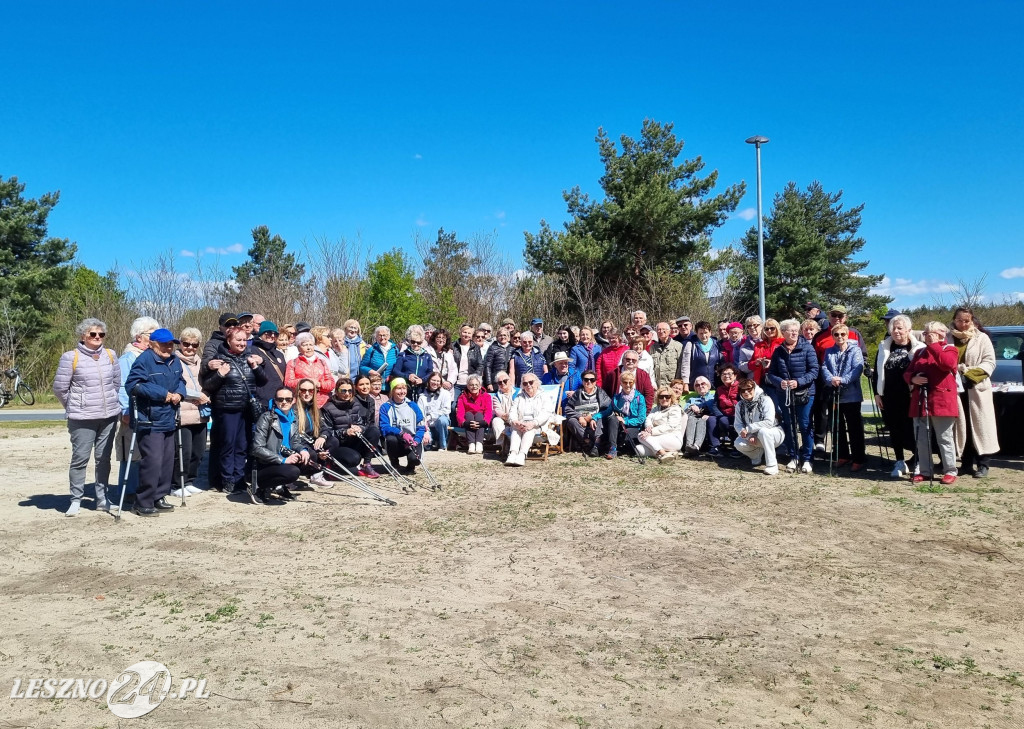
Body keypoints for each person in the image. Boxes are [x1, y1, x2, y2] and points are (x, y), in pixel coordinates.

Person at [53, 318, 122, 516]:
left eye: (101, 334)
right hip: (81, 418)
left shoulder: (111, 355)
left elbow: (116, 383)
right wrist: (75, 405)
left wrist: (110, 401)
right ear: (83, 336)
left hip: (108, 416)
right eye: (93, 334)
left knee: (104, 459)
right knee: (80, 459)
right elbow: (60, 388)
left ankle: (102, 499)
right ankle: (76, 500)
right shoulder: (70, 357)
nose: (97, 337)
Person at [124, 328, 187, 516]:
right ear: (152, 344)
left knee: (167, 462)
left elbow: (181, 380)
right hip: (149, 420)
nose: (168, 347)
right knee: (153, 461)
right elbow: (133, 385)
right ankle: (143, 501)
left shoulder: (175, 360)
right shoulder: (144, 360)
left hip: (169, 417)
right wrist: (163, 394)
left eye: (171, 344)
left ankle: (159, 496)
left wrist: (180, 393)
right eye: (164, 344)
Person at [201, 326, 268, 494]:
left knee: (242, 446)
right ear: (228, 341)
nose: (242, 343)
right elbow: (207, 385)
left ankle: (239, 479)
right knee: (228, 445)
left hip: (246, 410)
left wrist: (256, 366)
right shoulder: (219, 359)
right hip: (227, 410)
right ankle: (227, 480)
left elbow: (263, 381)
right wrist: (220, 374)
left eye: (244, 340)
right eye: (238, 340)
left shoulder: (249, 357)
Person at [906, 321, 960, 484]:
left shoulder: (950, 349)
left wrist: (935, 345)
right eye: (925, 333)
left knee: (944, 438)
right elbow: (908, 372)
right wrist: (913, 378)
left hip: (941, 400)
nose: (927, 336)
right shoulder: (920, 352)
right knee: (921, 438)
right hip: (920, 400)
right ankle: (925, 471)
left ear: (942, 334)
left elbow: (947, 364)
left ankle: (950, 470)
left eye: (931, 333)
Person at [949, 307, 1000, 478]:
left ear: (972, 321)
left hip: (976, 388)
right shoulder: (948, 337)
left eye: (966, 321)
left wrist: (969, 375)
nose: (963, 324)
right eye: (959, 320)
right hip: (956, 390)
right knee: (962, 426)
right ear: (954, 320)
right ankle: (965, 464)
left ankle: (983, 464)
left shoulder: (981, 338)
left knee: (980, 426)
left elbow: (989, 362)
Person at [766, 319, 819, 473]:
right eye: (791, 330)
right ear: (783, 333)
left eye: (796, 330)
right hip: (785, 394)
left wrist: (799, 382)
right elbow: (771, 373)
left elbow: (814, 370)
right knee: (789, 425)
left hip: (805, 393)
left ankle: (807, 459)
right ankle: (793, 456)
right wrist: (779, 382)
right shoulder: (778, 351)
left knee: (805, 424)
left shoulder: (807, 348)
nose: (795, 333)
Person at [116, 316, 159, 502]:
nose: (154, 338)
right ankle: (128, 492)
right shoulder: (128, 358)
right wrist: (126, 410)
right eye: (151, 334)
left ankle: (145, 490)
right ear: (139, 336)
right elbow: (121, 386)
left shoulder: (152, 356)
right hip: (132, 412)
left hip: (150, 412)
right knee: (131, 454)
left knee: (146, 453)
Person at [875, 314, 924, 478]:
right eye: (893, 328)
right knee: (894, 429)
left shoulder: (919, 348)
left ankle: (919, 461)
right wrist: (877, 394)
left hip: (910, 395)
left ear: (909, 330)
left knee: (912, 430)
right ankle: (899, 461)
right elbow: (878, 373)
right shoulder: (884, 347)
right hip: (889, 396)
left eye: (900, 328)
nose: (896, 331)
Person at [251, 386, 310, 503]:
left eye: (288, 399)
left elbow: (295, 442)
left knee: (309, 458)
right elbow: (257, 448)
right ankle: (258, 487)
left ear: (293, 400)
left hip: (284, 458)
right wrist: (283, 460)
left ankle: (279, 487)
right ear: (275, 400)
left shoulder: (293, 417)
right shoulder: (266, 418)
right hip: (265, 464)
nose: (284, 402)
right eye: (280, 399)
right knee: (292, 472)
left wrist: (303, 450)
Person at [171, 327, 210, 496]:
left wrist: (206, 395)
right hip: (183, 413)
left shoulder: (201, 362)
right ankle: (176, 484)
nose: (190, 348)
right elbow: (174, 386)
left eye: (194, 345)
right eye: (186, 344)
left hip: (200, 413)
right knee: (183, 452)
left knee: (198, 451)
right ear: (180, 343)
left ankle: (189, 481)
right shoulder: (173, 361)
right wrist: (197, 395)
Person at [821, 324, 866, 470]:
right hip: (834, 393)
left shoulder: (855, 350)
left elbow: (858, 368)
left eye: (842, 334)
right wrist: (831, 379)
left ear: (847, 335)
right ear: (833, 336)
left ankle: (858, 458)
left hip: (851, 395)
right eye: (836, 334)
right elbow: (824, 367)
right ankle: (842, 455)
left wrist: (843, 380)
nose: (840, 337)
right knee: (836, 427)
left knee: (854, 427)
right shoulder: (829, 351)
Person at [322, 377, 381, 480]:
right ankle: (331, 465)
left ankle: (367, 465)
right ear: (337, 391)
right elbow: (327, 431)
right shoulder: (328, 408)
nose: (347, 394)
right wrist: (345, 432)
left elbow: (361, 423)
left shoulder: (355, 404)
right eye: (343, 391)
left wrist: (360, 428)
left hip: (353, 441)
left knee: (373, 430)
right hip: (338, 445)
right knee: (354, 459)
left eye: (350, 391)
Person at [733, 378, 786, 475]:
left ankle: (772, 465)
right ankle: (756, 455)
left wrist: (749, 429)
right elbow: (738, 424)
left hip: (774, 433)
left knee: (763, 432)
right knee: (738, 443)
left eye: (749, 389)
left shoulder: (766, 400)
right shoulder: (740, 405)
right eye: (743, 390)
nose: (746, 392)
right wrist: (749, 436)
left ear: (755, 388)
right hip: (753, 436)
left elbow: (769, 422)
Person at [379, 378, 426, 474]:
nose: (402, 391)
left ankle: (410, 466)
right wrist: (401, 433)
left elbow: (421, 426)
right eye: (398, 388)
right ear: (392, 390)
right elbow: (384, 427)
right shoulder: (385, 407)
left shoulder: (413, 405)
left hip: (412, 440)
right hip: (397, 441)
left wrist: (416, 440)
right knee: (391, 439)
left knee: (415, 460)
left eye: (404, 388)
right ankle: (395, 464)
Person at [504, 374, 553, 466]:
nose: (528, 385)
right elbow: (512, 412)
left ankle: (522, 454)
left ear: (537, 383)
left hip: (538, 425)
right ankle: (513, 453)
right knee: (515, 427)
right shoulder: (519, 397)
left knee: (530, 428)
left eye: (531, 382)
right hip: (521, 423)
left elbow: (546, 413)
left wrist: (533, 423)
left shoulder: (545, 396)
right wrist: (514, 421)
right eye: (525, 383)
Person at [563, 370, 611, 457]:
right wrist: (579, 417)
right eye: (586, 379)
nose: (589, 382)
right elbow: (568, 408)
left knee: (600, 418)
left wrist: (594, 417)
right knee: (571, 421)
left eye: (592, 380)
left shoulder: (601, 393)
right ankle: (588, 442)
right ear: (582, 381)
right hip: (582, 423)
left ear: (595, 382)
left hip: (596, 423)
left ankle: (597, 444)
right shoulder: (577, 393)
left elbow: (608, 408)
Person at [285, 332, 334, 408]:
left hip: (322, 403)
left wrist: (319, 384)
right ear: (298, 348)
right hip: (301, 403)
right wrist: (306, 382)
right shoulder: (292, 363)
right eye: (304, 345)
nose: (309, 348)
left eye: (311, 345)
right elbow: (288, 383)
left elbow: (331, 384)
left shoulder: (322, 362)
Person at [605, 370, 647, 459]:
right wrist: (594, 417)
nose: (627, 385)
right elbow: (607, 412)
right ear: (621, 383)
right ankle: (613, 448)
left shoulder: (640, 398)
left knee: (625, 437)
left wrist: (625, 421)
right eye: (625, 382)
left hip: (634, 426)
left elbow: (641, 419)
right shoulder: (616, 398)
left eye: (630, 382)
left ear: (633, 383)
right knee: (613, 418)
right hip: (620, 426)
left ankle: (621, 446)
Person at [635, 387, 684, 461]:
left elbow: (670, 426)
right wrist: (649, 427)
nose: (664, 399)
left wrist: (651, 432)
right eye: (661, 397)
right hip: (657, 437)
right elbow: (648, 418)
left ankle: (662, 453)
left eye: (667, 396)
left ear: (671, 398)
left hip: (673, 437)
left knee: (641, 436)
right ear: (658, 398)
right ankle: (669, 453)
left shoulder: (675, 409)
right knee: (638, 449)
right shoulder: (656, 409)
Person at [681, 376, 721, 457]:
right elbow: (684, 412)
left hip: (707, 419)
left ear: (708, 386)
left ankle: (696, 446)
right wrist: (691, 406)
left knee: (701, 420)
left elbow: (717, 409)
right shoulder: (692, 399)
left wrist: (709, 414)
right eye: (697, 385)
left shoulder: (714, 397)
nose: (700, 386)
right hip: (692, 418)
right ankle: (689, 446)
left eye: (703, 384)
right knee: (692, 418)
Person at [442, 324, 481, 404]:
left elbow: (480, 365)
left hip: (470, 383)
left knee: (471, 405)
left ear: (472, 335)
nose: (466, 335)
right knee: (453, 405)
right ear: (460, 333)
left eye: (469, 333)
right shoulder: (452, 346)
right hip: (455, 382)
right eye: (464, 332)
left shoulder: (476, 348)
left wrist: (475, 378)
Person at [251, 320, 288, 406]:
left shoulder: (279, 354)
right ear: (261, 334)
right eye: (268, 333)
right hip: (263, 401)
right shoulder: (253, 350)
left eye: (275, 334)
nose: (272, 336)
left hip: (280, 399)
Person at [394, 325, 435, 401]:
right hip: (406, 389)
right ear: (409, 341)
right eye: (413, 342)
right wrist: (408, 376)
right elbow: (396, 371)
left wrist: (422, 380)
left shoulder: (427, 356)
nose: (415, 344)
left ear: (422, 342)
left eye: (418, 342)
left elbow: (430, 372)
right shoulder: (403, 355)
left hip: (422, 389)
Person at [678, 321, 721, 392]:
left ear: (710, 332)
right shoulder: (690, 345)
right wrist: (685, 383)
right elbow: (685, 365)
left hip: (714, 385)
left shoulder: (717, 344)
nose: (703, 335)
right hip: (696, 385)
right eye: (701, 333)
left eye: (706, 332)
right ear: (697, 333)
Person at [456, 374, 492, 454]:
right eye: (471, 385)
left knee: (479, 415)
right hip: (468, 420)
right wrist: (464, 422)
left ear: (480, 386)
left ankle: (479, 443)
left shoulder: (486, 396)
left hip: (481, 420)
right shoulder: (462, 397)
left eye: (476, 384)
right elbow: (460, 412)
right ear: (468, 386)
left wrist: (484, 422)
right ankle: (471, 444)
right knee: (468, 414)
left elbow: (488, 411)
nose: (474, 387)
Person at [712, 365, 741, 458]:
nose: (726, 376)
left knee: (729, 421)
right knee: (712, 419)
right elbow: (715, 405)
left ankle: (737, 446)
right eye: (723, 374)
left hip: (737, 415)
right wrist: (720, 415)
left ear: (735, 375)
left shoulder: (740, 387)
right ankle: (715, 447)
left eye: (729, 373)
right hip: (723, 415)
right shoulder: (719, 389)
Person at [418, 371, 452, 451]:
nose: (435, 383)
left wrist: (431, 416)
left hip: (440, 426)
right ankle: (431, 441)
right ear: (429, 381)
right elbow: (421, 416)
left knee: (442, 420)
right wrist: (425, 431)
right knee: (425, 446)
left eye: (437, 381)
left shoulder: (446, 394)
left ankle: (443, 445)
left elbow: (446, 410)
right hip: (428, 427)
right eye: (433, 380)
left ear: (440, 383)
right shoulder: (422, 397)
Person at [749, 318, 783, 385]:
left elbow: (788, 362)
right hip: (762, 380)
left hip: (778, 379)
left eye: (772, 328)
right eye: (766, 329)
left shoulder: (783, 343)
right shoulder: (758, 345)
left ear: (777, 329)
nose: (769, 331)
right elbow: (750, 365)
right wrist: (756, 363)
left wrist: (772, 363)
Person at [650, 322, 683, 389]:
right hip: (658, 387)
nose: (661, 331)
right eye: (659, 329)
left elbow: (681, 366)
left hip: (672, 386)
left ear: (669, 331)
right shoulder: (652, 347)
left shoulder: (678, 346)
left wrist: (676, 383)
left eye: (664, 329)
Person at [490, 372, 518, 448]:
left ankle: (515, 445)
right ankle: (503, 445)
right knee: (496, 420)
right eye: (500, 382)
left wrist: (512, 416)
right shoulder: (496, 396)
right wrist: (505, 416)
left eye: (505, 381)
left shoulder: (519, 392)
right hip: (504, 418)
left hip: (517, 417)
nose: (502, 383)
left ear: (510, 381)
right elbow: (497, 410)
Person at [483, 327, 512, 392]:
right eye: (500, 335)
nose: (502, 337)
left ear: (508, 337)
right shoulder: (492, 348)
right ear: (497, 337)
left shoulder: (512, 349)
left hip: (508, 380)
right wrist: (489, 383)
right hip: (496, 380)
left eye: (504, 335)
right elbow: (488, 366)